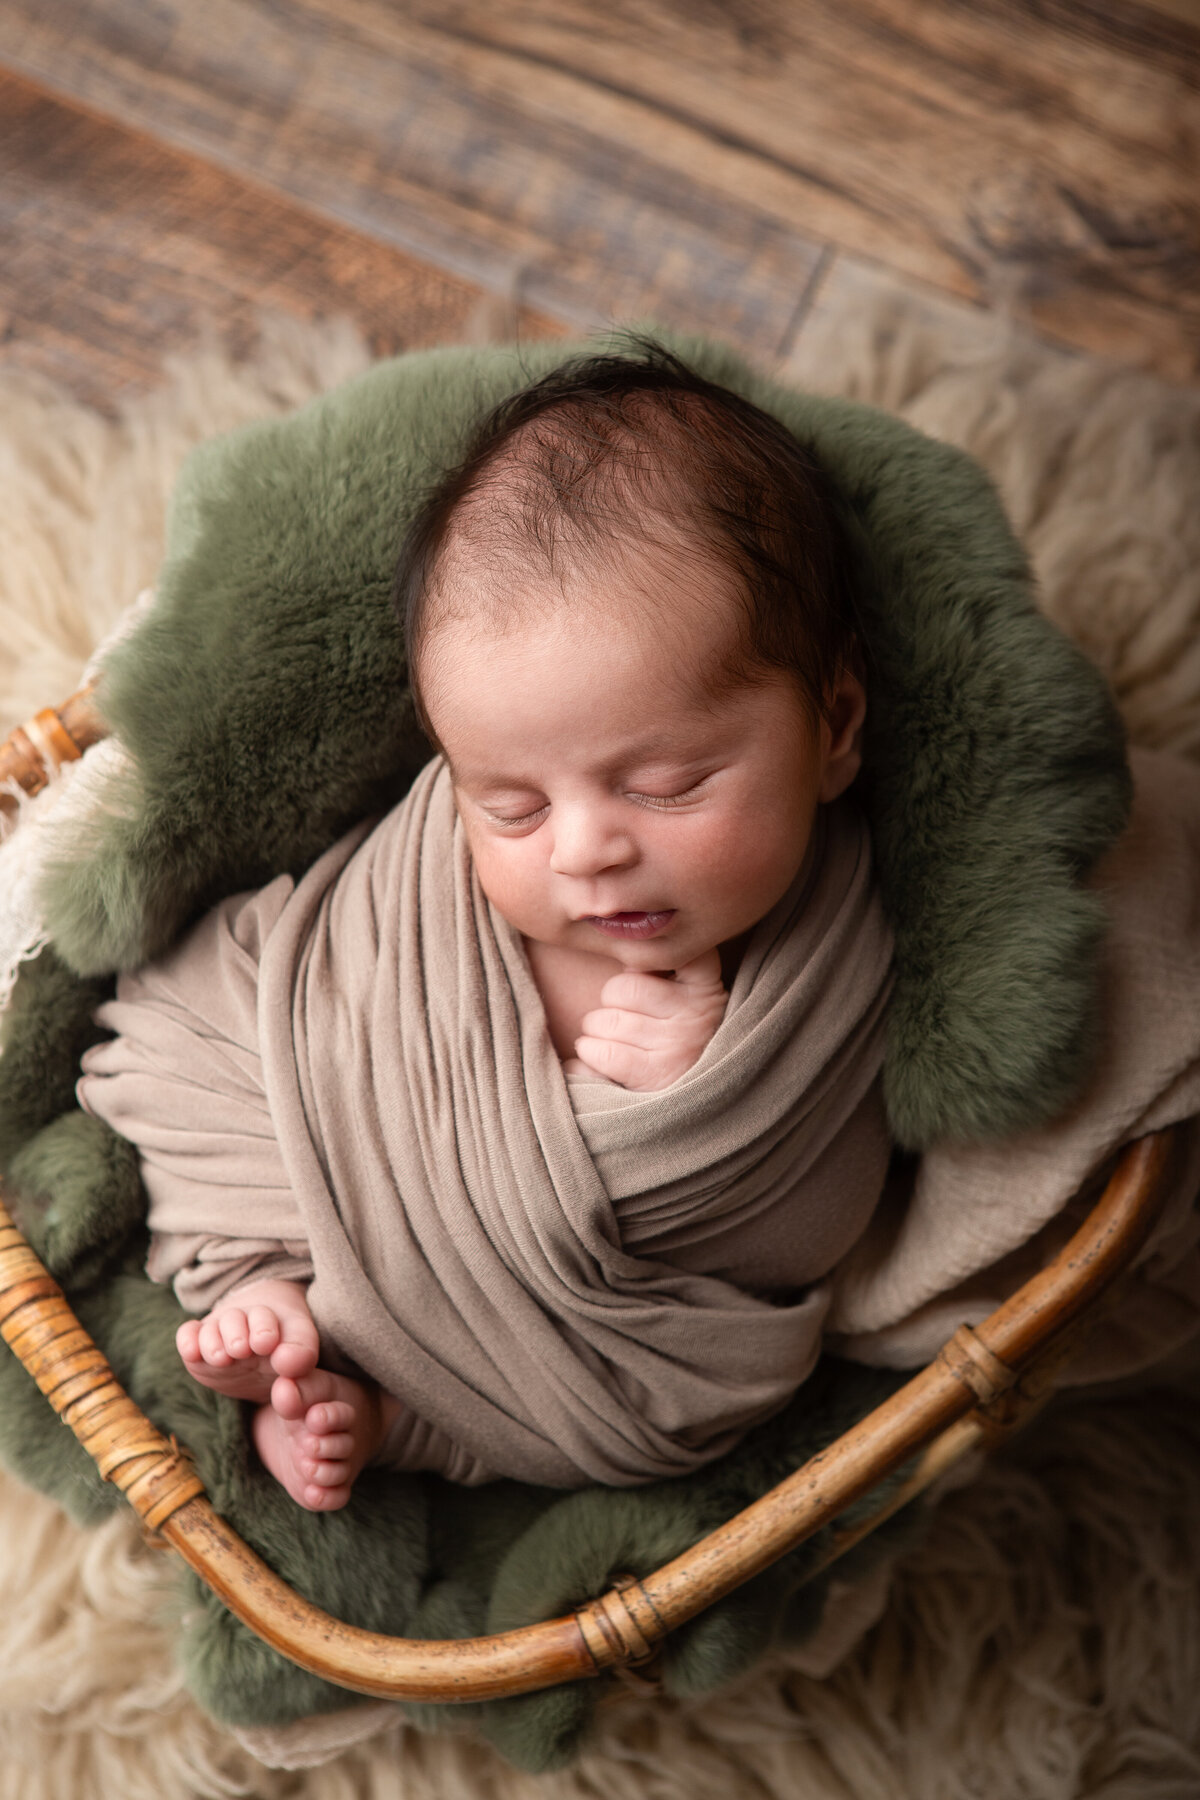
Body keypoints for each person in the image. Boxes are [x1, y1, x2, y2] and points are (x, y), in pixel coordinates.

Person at [77, 345, 896, 1509]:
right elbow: (263, 990)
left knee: (706, 1401)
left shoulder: (833, 943)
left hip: (571, 1338)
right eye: (509, 803)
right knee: (197, 1027)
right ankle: (266, 1290)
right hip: (332, 1142)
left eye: (664, 784)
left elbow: (809, 1224)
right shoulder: (430, 882)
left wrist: (679, 1100)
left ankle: (400, 1418)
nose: (581, 849)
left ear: (838, 724)